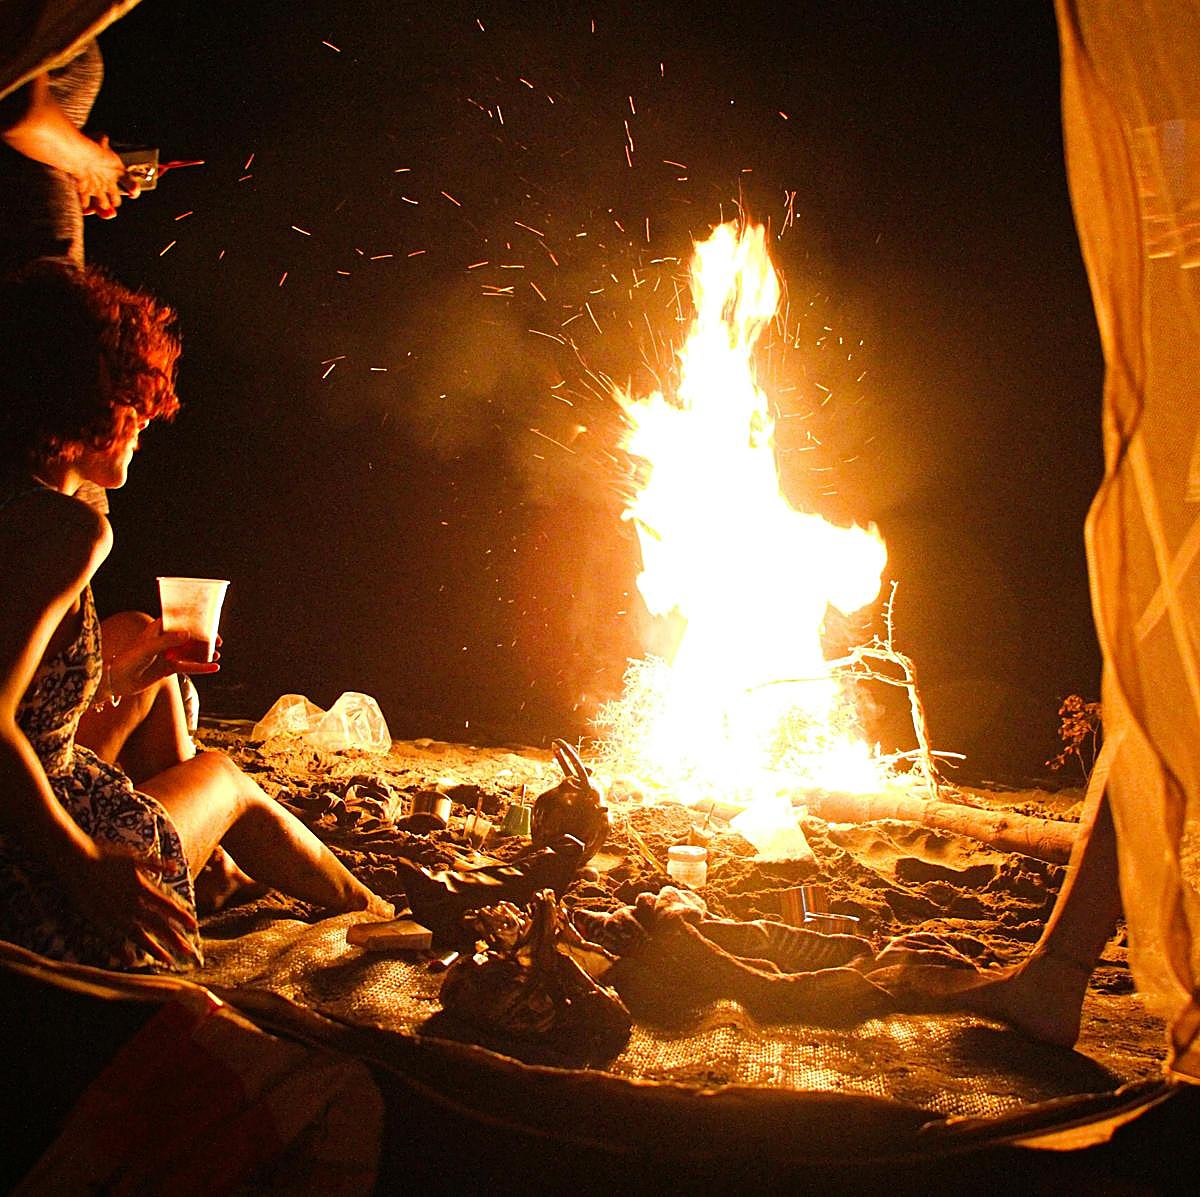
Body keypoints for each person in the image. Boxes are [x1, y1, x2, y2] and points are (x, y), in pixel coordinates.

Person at [0, 261, 393, 972]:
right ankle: (384, 917)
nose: (146, 426)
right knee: (226, 778)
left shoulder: (20, 501)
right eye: (139, 408)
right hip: (33, 885)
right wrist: (85, 861)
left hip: (25, 824)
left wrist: (122, 674)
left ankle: (216, 877)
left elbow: (21, 690)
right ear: (96, 402)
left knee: (147, 677)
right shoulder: (62, 530)